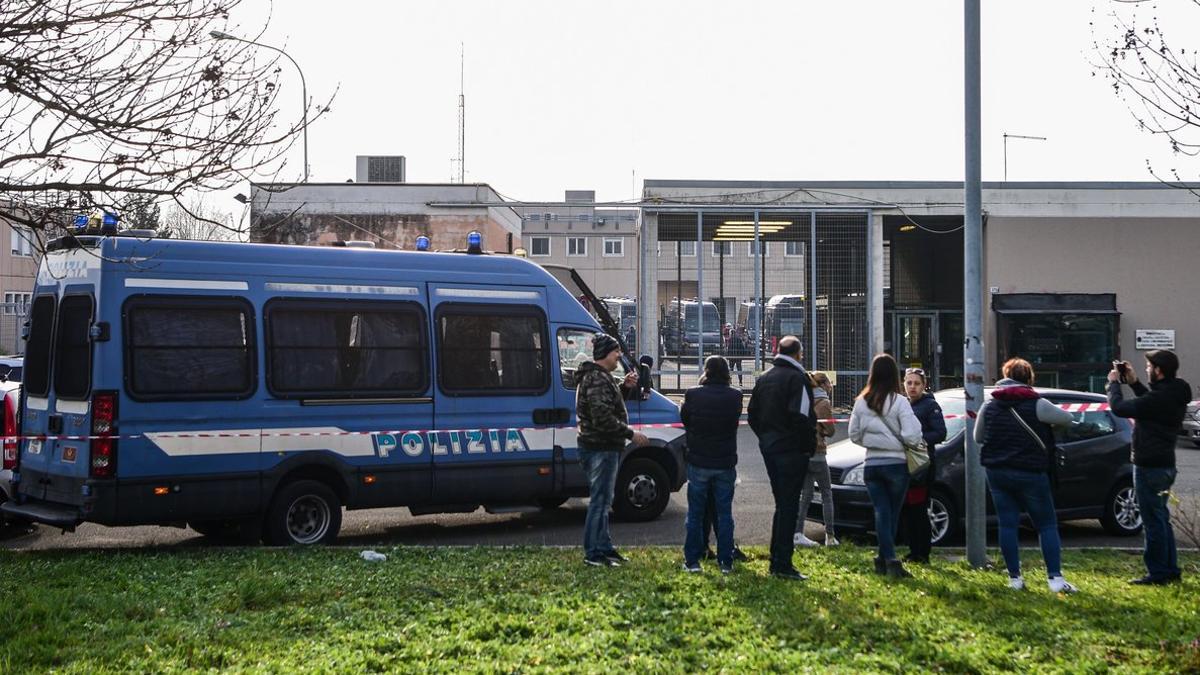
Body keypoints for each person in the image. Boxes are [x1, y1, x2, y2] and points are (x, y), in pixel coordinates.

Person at [974, 358, 1076, 593]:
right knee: (1046, 525)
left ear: (1004, 376)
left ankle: (1015, 579)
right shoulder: (1038, 404)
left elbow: (978, 438)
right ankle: (1055, 580)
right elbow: (1068, 419)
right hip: (1031, 472)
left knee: (1007, 525)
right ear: (1029, 378)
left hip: (997, 472)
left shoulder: (989, 406)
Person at [1107, 350, 1191, 585]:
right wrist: (1134, 383)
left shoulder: (1159, 398)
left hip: (1148, 466)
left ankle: (1157, 573)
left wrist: (1113, 384)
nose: (1145, 370)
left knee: (1153, 522)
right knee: (1161, 518)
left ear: (1158, 370)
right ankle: (1170, 569)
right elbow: (1149, 404)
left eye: (1148, 367)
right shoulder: (1174, 392)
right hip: (1165, 465)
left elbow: (1119, 408)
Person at [575, 333, 649, 567]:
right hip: (601, 447)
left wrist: (623, 388)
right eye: (616, 351)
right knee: (600, 501)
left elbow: (605, 403)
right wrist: (631, 434)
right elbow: (602, 418)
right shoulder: (596, 379)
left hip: (602, 447)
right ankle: (593, 553)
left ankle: (604, 547)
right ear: (606, 354)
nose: (619, 356)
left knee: (605, 499)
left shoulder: (601, 378)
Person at [747, 335, 817, 581]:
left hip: (770, 448)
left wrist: (766, 438)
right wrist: (807, 446)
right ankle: (782, 563)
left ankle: (776, 558)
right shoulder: (798, 378)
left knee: (782, 504)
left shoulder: (765, 378)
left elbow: (752, 414)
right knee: (789, 506)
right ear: (798, 353)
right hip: (792, 451)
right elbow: (802, 416)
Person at [849, 354, 923, 579]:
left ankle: (883, 558)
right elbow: (912, 435)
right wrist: (896, 442)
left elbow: (854, 434)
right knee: (892, 512)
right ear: (894, 375)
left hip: (872, 464)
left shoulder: (862, 401)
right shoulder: (900, 402)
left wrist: (872, 443)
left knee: (881, 510)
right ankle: (889, 559)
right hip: (896, 464)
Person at [679, 356, 743, 573]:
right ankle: (726, 561)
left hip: (699, 460)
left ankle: (692, 561)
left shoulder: (693, 394)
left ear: (706, 371)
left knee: (695, 513)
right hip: (725, 461)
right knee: (724, 514)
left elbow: (686, 420)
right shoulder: (735, 396)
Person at [900, 367, 947, 564]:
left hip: (922, 467)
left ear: (924, 385)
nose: (912, 387)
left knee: (919, 510)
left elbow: (940, 433)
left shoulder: (930, 406)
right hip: (906, 465)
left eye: (916, 383)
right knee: (909, 510)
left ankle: (922, 553)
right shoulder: (904, 405)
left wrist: (916, 440)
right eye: (909, 383)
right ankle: (913, 550)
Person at [795, 371, 838, 548]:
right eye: (828, 384)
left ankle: (797, 532)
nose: (830, 387)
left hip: (804, 452)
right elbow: (830, 429)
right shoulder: (824, 402)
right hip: (818, 452)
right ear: (823, 385)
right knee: (827, 494)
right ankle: (830, 535)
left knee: (806, 495)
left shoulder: (804, 399)